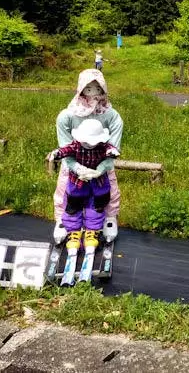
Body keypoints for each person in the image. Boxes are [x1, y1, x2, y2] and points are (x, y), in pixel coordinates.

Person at [51, 69, 122, 245]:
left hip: (101, 162)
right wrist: (75, 166)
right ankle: (62, 219)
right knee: (66, 189)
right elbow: (65, 145)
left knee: (108, 189)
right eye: (88, 89)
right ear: (81, 89)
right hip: (75, 162)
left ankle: (109, 218)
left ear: (103, 90)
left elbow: (114, 146)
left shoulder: (111, 115)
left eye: (97, 89)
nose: (93, 94)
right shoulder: (67, 116)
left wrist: (102, 167)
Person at [50, 119, 119, 253]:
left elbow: (110, 149)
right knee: (72, 207)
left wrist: (113, 152)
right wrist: (57, 153)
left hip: (97, 181)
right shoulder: (76, 146)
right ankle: (73, 233)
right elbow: (66, 150)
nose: (88, 144)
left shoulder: (102, 146)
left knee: (97, 207)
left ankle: (92, 232)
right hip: (78, 183)